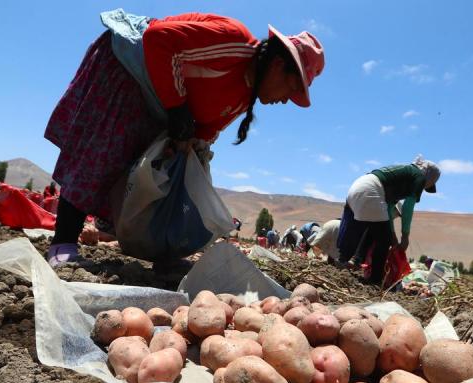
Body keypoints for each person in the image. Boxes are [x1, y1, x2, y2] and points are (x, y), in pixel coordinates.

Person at [43, 9, 325, 269]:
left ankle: (162, 252)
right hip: (131, 70)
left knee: (161, 170)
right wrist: (178, 109)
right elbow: (158, 40)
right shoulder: (235, 43)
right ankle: (62, 243)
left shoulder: (242, 99)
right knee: (103, 151)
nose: (287, 100)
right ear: (277, 65)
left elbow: (203, 132)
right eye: (291, 87)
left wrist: (185, 153)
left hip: (157, 102)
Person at [337, 156, 440, 285]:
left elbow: (388, 213)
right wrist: (405, 237)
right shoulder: (419, 176)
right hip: (372, 190)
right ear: (430, 177)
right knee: (383, 241)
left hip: (357, 186)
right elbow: (408, 207)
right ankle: (375, 281)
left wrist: (394, 237)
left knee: (362, 229)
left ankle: (341, 262)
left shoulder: (402, 176)